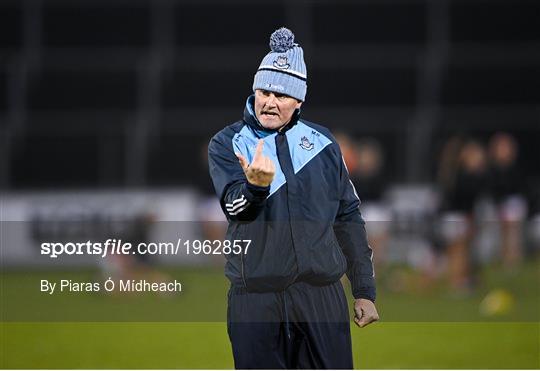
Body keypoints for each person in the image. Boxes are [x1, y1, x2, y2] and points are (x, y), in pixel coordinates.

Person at [208, 27, 378, 369]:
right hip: (256, 300)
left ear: (299, 101)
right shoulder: (228, 143)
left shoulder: (324, 144)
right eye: (264, 91)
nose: (270, 101)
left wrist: (363, 289)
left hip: (321, 298)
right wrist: (255, 187)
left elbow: (348, 217)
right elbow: (234, 207)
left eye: (282, 95)